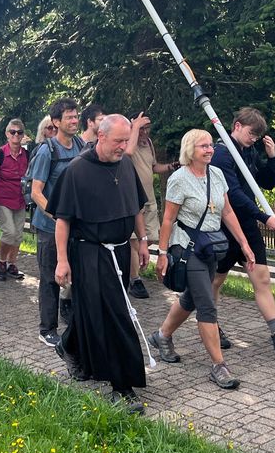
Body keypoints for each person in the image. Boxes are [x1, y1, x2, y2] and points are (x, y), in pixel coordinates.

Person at [52, 114, 150, 412]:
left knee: (93, 309)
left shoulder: (125, 164)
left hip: (120, 250)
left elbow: (135, 207)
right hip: (90, 253)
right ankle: (123, 386)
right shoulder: (77, 170)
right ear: (101, 136)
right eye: (119, 140)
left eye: (126, 140)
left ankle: (69, 344)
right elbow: (63, 220)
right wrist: (61, 260)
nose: (124, 146)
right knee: (115, 315)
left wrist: (143, 241)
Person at [151, 129, 253, 389]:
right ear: (190, 150)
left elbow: (227, 211)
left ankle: (162, 336)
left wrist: (243, 243)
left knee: (191, 298)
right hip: (187, 248)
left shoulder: (216, 175)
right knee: (206, 305)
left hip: (211, 247)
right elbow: (167, 218)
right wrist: (162, 254)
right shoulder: (179, 179)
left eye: (210, 145)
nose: (209, 150)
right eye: (202, 146)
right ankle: (219, 366)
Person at [210, 107, 275, 355]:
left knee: (262, 278)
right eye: (251, 133)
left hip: (248, 227)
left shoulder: (249, 150)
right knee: (215, 281)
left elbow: (263, 183)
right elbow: (233, 193)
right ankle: (210, 324)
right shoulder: (222, 153)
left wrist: (272, 157)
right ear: (237, 126)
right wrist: (264, 216)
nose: (254, 138)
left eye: (257, 135)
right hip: (224, 226)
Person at [31, 98, 86, 347]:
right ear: (56, 122)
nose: (75, 121)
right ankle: (47, 328)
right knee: (50, 278)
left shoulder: (82, 147)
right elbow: (36, 192)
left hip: (77, 227)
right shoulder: (47, 151)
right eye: (69, 117)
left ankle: (75, 319)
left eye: (76, 116)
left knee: (77, 275)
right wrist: (57, 215)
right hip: (48, 228)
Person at [125, 112, 177, 299]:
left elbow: (154, 167)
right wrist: (134, 128)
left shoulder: (149, 144)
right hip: (133, 200)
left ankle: (130, 264)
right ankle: (134, 279)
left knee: (151, 237)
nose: (145, 132)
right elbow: (127, 153)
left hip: (149, 198)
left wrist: (172, 166)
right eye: (142, 128)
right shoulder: (127, 143)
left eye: (148, 128)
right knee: (134, 240)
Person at [0, 118, 30, 281]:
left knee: (19, 234)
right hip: (2, 199)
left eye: (19, 132)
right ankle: (1, 262)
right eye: (12, 132)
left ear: (23, 135)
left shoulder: (26, 155)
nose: (16, 135)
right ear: (7, 134)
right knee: (9, 232)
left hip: (20, 199)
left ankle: (12, 264)